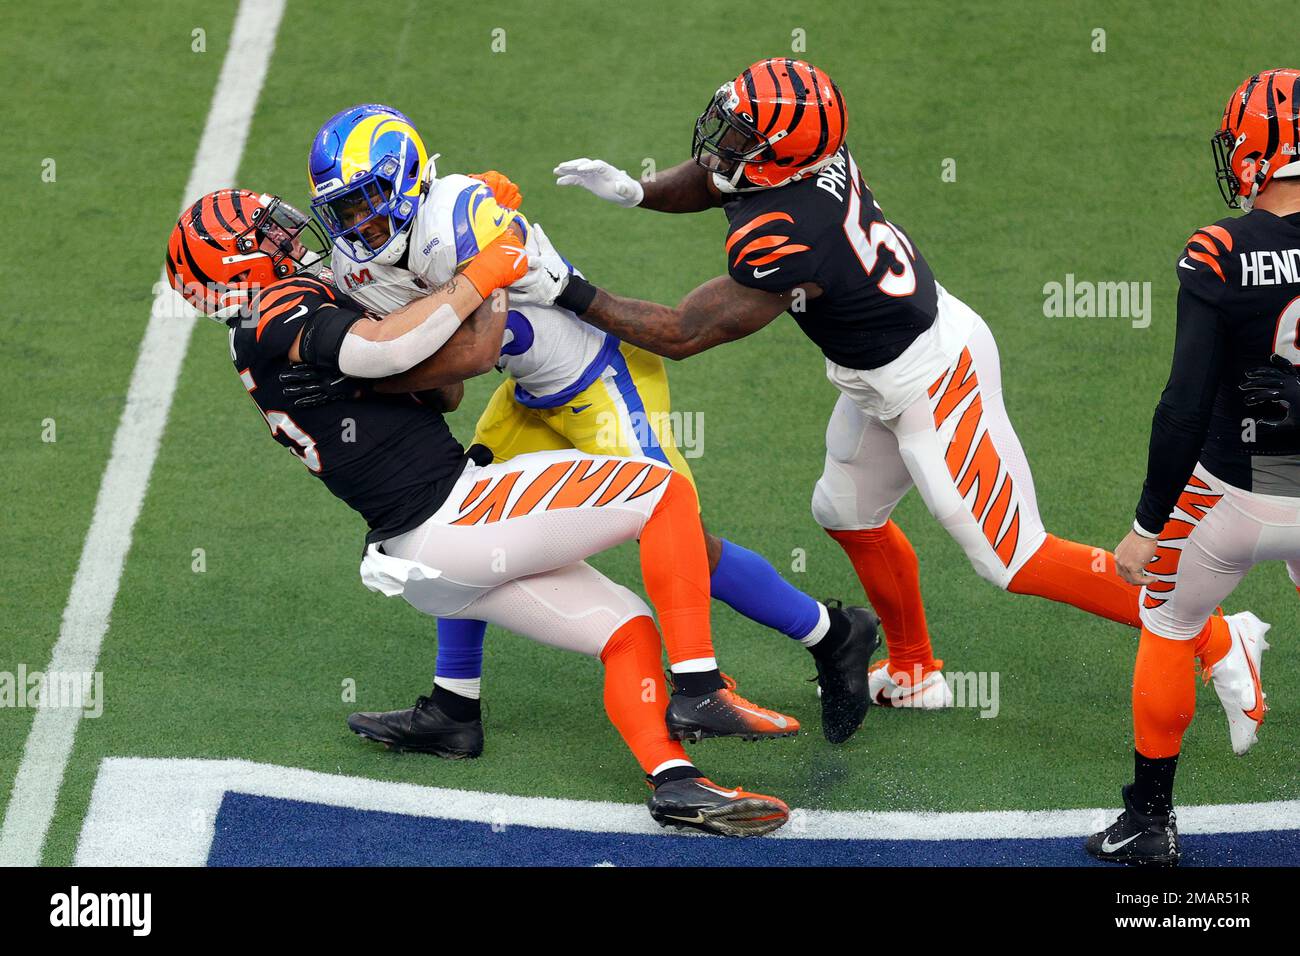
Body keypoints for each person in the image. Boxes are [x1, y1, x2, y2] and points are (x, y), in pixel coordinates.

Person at [522, 57, 1245, 715]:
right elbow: (721, 175)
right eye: (730, 127)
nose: (721, 146)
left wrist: (568, 289)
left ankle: (1211, 635)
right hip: (880, 368)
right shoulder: (810, 160)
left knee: (1014, 557)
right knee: (846, 511)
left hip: (935, 376)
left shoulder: (788, 231)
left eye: (743, 137)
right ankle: (915, 669)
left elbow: (685, 331)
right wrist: (636, 192)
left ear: (785, 159)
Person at [164, 187, 794, 836]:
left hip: (422, 558)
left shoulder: (273, 328)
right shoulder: (280, 308)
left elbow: (442, 388)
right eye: (269, 236)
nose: (292, 236)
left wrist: (446, 284)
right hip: (452, 516)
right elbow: (384, 350)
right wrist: (483, 269)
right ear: (237, 264)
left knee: (628, 629)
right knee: (662, 493)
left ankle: (676, 785)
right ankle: (698, 689)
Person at [304, 103, 879, 748]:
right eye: (344, 210)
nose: (361, 222)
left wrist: (371, 369)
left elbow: (467, 359)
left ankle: (751, 667)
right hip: (531, 390)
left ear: (409, 178)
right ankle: (453, 707)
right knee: (462, 513)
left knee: (679, 531)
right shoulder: (364, 261)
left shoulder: (460, 215)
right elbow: (449, 389)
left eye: (370, 199)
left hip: (599, 377)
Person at [1087, 70, 1300, 865]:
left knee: (1170, 627)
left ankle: (1150, 819)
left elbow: (1182, 405)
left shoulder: (1222, 249)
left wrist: (1146, 526)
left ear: (1259, 150)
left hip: (1235, 489)